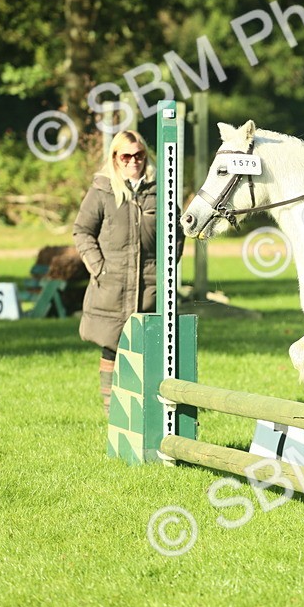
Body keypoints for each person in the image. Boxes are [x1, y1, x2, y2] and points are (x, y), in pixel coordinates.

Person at [73, 129, 182, 413]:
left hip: (151, 285)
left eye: (139, 155)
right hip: (112, 285)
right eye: (127, 156)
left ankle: (149, 408)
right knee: (112, 345)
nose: (134, 161)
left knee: (153, 348)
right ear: (116, 158)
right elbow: (82, 231)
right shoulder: (102, 190)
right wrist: (99, 268)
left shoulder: (162, 189)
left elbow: (178, 233)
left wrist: (168, 269)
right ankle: (112, 410)